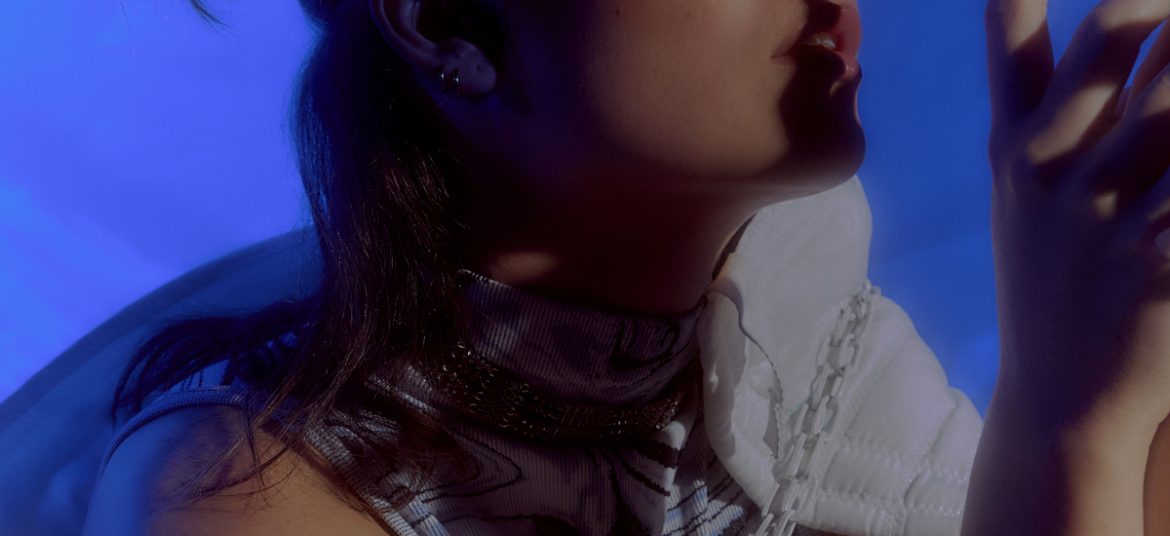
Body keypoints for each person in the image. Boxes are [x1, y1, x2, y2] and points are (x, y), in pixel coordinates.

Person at [75, 0, 1170, 534]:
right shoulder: (246, 499)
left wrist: (1127, 387)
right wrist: (1067, 423)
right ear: (444, 21)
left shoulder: (824, 340)